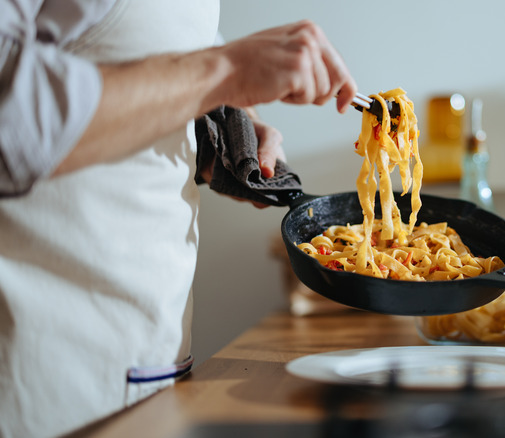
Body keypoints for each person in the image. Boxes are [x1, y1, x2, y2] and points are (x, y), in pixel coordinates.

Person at [0, 1, 357, 437]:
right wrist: (226, 70)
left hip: (150, 363)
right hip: (40, 375)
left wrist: (227, 135)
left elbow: (145, 70)